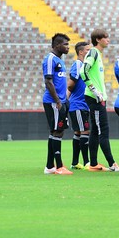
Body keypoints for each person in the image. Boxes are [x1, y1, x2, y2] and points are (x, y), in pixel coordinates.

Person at [80, 29, 119, 172]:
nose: (108, 40)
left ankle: (93, 163)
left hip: (96, 98)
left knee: (95, 131)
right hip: (94, 98)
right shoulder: (93, 52)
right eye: (105, 37)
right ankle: (112, 164)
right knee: (102, 131)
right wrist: (94, 90)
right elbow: (83, 71)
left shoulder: (97, 54)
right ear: (98, 39)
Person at [41, 33, 72, 175]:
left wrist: (65, 100)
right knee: (57, 131)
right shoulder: (50, 59)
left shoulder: (59, 60)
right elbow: (48, 81)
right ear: (57, 45)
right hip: (53, 102)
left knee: (56, 132)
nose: (68, 47)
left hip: (61, 101)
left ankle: (49, 166)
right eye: (65, 44)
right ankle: (59, 166)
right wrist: (58, 101)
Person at [67, 41, 90, 169]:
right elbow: (71, 84)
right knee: (84, 131)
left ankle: (75, 162)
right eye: (87, 50)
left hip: (82, 105)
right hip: (78, 105)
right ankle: (86, 162)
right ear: (81, 52)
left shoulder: (85, 65)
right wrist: (66, 99)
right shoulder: (78, 64)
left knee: (78, 132)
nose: (89, 52)